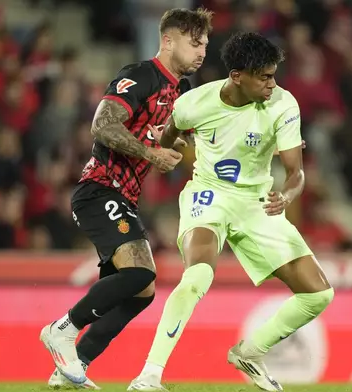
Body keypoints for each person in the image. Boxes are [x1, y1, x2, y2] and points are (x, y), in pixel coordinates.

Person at [128, 32, 334, 392]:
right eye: (264, 77)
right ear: (237, 76)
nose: (272, 84)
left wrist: (286, 195)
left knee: (318, 294)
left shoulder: (283, 105)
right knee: (196, 278)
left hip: (257, 203)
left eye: (273, 75)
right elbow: (169, 136)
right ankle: (150, 375)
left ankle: (249, 353)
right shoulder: (195, 103)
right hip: (209, 194)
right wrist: (171, 144)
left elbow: (296, 172)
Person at [39, 8, 213, 388]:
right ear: (168, 40)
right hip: (99, 188)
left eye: (205, 45)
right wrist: (151, 154)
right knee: (141, 273)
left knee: (141, 292)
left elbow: (159, 133)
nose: (202, 52)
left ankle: (72, 367)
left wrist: (170, 144)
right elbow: (102, 125)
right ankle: (62, 330)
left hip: (124, 197)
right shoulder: (140, 76)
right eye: (194, 43)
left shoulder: (180, 91)